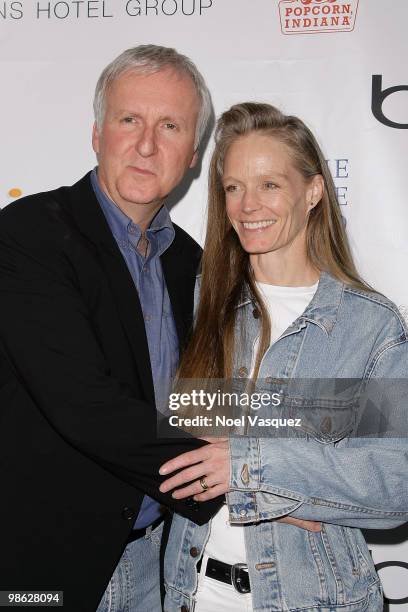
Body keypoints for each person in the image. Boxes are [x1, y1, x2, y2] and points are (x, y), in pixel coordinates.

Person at [159, 102, 408, 611]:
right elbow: (175, 439)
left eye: (270, 184)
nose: (248, 205)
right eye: (233, 187)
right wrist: (291, 486)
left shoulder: (368, 325)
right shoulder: (197, 300)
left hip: (313, 599)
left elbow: (392, 484)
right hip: (190, 593)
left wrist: (254, 469)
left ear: (312, 191)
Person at [0, 45, 223, 612]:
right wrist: (248, 475)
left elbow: (212, 404)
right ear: (98, 133)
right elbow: (83, 405)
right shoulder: (30, 236)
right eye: (130, 120)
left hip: (158, 563)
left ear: (192, 154)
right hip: (42, 572)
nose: (146, 144)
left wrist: (317, 451)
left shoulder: (194, 267)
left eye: (169, 125)